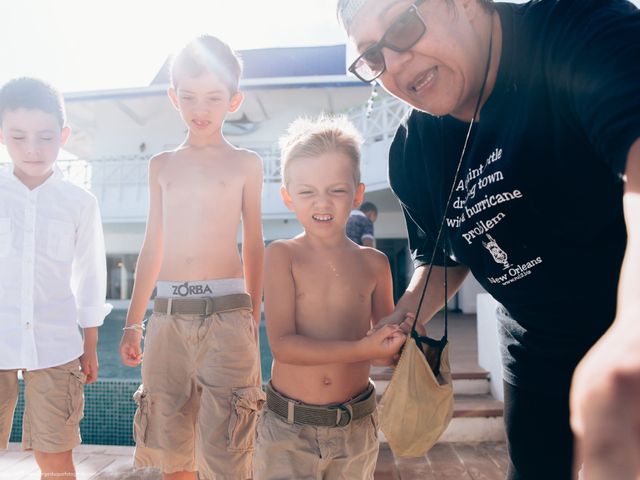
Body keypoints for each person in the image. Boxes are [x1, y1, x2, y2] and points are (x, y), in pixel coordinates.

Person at [337, 0, 640, 479]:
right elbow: (443, 258)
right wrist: (405, 315)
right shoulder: (413, 151)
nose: (393, 64)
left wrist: (632, 333)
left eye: (402, 24)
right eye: (373, 57)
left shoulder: (575, 28)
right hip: (535, 345)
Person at [119, 35, 265, 480]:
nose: (200, 109)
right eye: (189, 97)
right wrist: (132, 320)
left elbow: (254, 242)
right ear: (173, 98)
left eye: (214, 98)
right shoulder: (161, 164)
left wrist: (251, 315)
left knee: (228, 447)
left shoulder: (246, 163)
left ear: (233, 100)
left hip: (226, 313)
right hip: (166, 318)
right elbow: (153, 244)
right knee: (171, 447)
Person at [253, 116, 406, 480]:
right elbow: (283, 347)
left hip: (355, 427)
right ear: (288, 197)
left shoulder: (375, 264)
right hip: (287, 429)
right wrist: (364, 349)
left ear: (356, 194)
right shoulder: (281, 255)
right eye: (306, 191)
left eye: (336, 190)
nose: (322, 202)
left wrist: (400, 344)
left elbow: (384, 355)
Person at [0, 77, 111, 479]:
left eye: (45, 137)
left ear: (63, 136)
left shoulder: (79, 203)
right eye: (19, 136)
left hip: (56, 345)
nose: (32, 148)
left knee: (56, 457)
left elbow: (90, 275)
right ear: (1, 134)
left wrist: (92, 344)